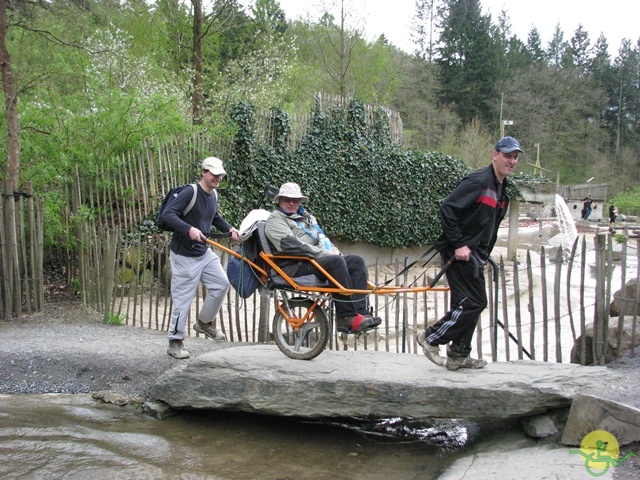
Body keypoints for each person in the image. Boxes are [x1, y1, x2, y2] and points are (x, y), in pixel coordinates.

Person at [417, 136, 521, 371]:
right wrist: (459, 244)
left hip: (475, 256)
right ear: (495, 155)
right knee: (475, 302)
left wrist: (483, 254)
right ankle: (431, 337)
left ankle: (459, 355)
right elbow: (448, 209)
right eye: (507, 156)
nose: (512, 161)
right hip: (460, 254)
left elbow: (488, 225)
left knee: (465, 303)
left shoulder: (500, 187)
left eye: (515, 157)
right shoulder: (479, 181)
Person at [265, 182, 381, 333]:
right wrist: (326, 254)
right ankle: (345, 318)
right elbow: (291, 245)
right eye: (287, 200)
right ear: (279, 201)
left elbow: (321, 239)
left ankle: (361, 314)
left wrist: (333, 250)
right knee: (336, 262)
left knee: (356, 261)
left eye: (295, 200)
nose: (292, 203)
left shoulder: (305, 218)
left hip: (313, 259)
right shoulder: (275, 219)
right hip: (294, 264)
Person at [160, 156, 241, 359]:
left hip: (203, 252)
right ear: (203, 172)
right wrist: (188, 229)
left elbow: (213, 217)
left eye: (220, 175)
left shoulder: (213, 195)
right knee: (183, 299)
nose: (218, 178)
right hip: (184, 255)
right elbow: (168, 215)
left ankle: (204, 323)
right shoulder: (190, 192)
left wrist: (229, 229)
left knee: (222, 284)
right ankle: (175, 342)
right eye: (214, 174)